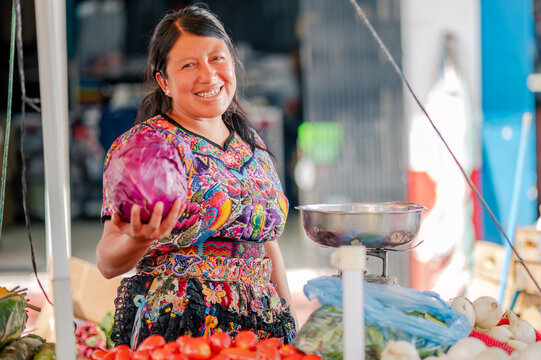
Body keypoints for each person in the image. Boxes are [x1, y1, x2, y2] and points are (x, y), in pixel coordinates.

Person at [96, 5, 297, 349]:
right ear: (164, 82)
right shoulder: (145, 148)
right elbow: (107, 260)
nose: (208, 75)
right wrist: (141, 240)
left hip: (261, 331)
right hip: (181, 329)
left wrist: (290, 327)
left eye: (217, 58)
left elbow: (267, 245)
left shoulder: (252, 146)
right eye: (189, 65)